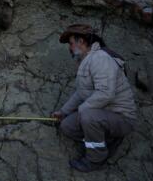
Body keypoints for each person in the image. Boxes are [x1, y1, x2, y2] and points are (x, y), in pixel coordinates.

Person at [52, 24, 137, 173]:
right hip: (101, 113)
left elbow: (105, 94)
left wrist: (81, 111)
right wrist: (63, 112)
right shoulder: (86, 61)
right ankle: (104, 139)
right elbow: (80, 93)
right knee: (67, 126)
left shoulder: (100, 58)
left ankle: (96, 159)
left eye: (71, 43)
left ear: (82, 42)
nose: (70, 48)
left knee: (87, 116)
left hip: (121, 117)